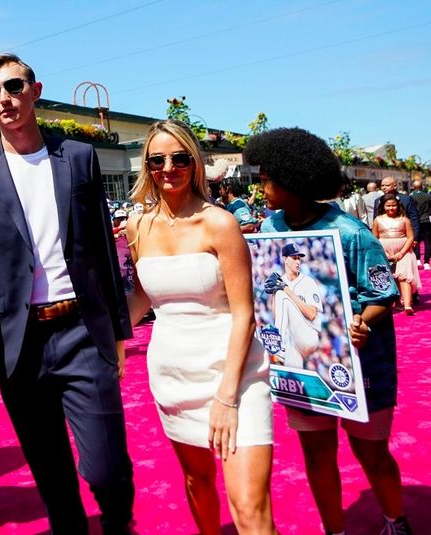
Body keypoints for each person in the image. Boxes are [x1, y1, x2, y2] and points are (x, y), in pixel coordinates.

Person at [0, 53, 134, 535]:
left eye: (13, 87)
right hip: (19, 345)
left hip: (82, 332)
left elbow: (100, 249)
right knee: (51, 474)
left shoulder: (77, 157)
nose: (5, 99)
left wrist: (118, 328)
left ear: (35, 90)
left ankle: (119, 523)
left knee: (106, 467)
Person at [244, 127, 413, 535]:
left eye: (266, 179)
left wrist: (361, 321)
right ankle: (333, 530)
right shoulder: (269, 231)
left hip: (360, 364)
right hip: (301, 368)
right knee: (317, 456)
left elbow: (383, 294)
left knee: (371, 453)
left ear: (294, 178)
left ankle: (396, 521)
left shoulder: (352, 232)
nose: (260, 187)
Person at [125, 120, 276, 534]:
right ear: (147, 166)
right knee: (197, 481)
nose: (168, 167)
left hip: (235, 375)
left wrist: (227, 398)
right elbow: (142, 298)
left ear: (195, 162)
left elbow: (246, 313)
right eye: (157, 159)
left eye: (179, 158)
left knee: (249, 510)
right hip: (173, 374)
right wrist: (108, 333)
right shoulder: (139, 227)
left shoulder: (220, 224)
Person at [264, 243, 324, 367]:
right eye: (294, 258)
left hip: (308, 335)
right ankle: (280, 351)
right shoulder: (281, 282)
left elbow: (312, 314)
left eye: (299, 258)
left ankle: (278, 348)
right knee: (293, 377)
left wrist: (285, 290)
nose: (298, 262)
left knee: (282, 295)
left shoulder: (308, 282)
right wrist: (275, 292)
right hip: (292, 340)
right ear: (285, 259)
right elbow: (277, 317)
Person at [373, 193, 420, 315]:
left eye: (393, 205)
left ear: (398, 205)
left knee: (404, 277)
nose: (391, 208)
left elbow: (410, 237)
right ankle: (397, 302)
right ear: (383, 206)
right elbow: (374, 238)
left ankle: (408, 305)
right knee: (391, 277)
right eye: (388, 206)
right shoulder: (378, 220)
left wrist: (401, 253)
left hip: (404, 252)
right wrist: (383, 253)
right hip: (384, 253)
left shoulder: (405, 219)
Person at [410, 180, 431, 269]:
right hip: (426, 221)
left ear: (413, 187)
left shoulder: (410, 197)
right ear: (421, 186)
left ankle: (417, 260)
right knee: (428, 242)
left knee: (416, 241)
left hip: (415, 222)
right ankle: (426, 262)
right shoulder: (428, 196)